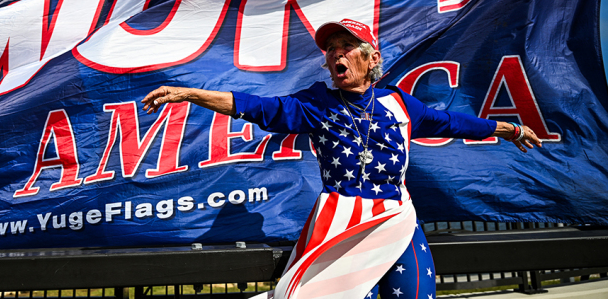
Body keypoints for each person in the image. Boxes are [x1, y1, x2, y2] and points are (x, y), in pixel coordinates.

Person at [142, 18, 541, 299]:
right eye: (332, 49)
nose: (337, 55)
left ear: (370, 59)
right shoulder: (316, 103)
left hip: (397, 219)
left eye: (347, 47)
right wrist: (192, 94)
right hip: (343, 225)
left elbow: (451, 122)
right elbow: (257, 106)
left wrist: (511, 129)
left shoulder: (399, 103)